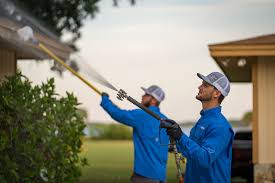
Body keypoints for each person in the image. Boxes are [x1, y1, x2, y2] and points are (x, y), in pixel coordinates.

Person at [164, 72, 234, 183]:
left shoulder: (220, 126)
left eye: (205, 85)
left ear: (217, 93)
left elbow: (204, 158)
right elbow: (192, 152)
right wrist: (176, 137)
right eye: (202, 84)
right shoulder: (203, 120)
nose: (199, 87)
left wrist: (180, 136)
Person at [100, 85, 169, 183]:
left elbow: (118, 114)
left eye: (146, 94)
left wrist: (105, 99)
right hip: (161, 177)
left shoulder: (142, 115)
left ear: (154, 100)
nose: (142, 96)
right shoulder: (166, 121)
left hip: (145, 176)